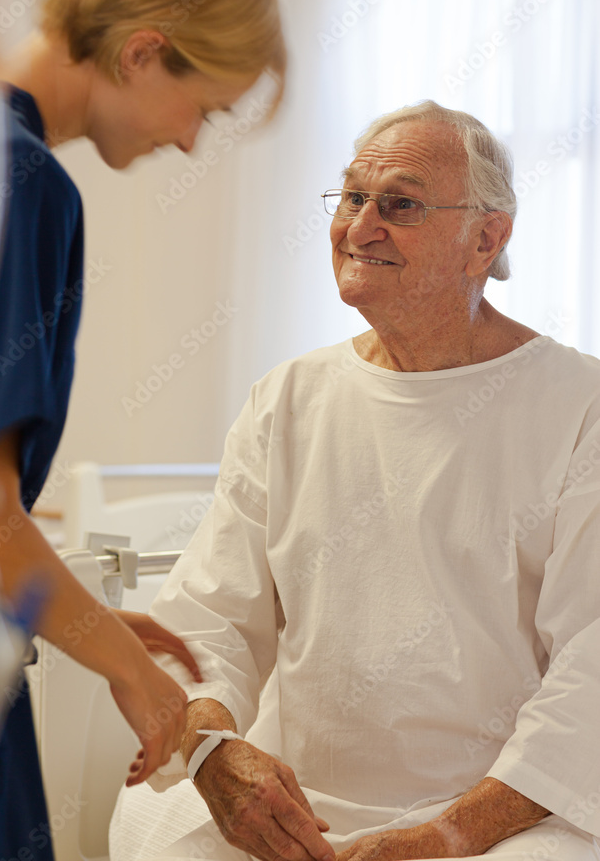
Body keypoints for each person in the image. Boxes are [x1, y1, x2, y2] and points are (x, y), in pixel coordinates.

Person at [110, 101, 600, 861]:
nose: (358, 226)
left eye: (398, 204)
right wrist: (215, 756)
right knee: (148, 822)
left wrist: (447, 834)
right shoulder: (289, 396)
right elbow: (209, 620)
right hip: (297, 799)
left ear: (486, 239)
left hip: (509, 814)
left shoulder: (580, 406)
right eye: (350, 198)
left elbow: (590, 667)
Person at [0, 0, 285, 861]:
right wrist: (132, 671)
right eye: (204, 107)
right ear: (142, 51)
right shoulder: (18, 183)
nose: (187, 141)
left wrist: (78, 614)